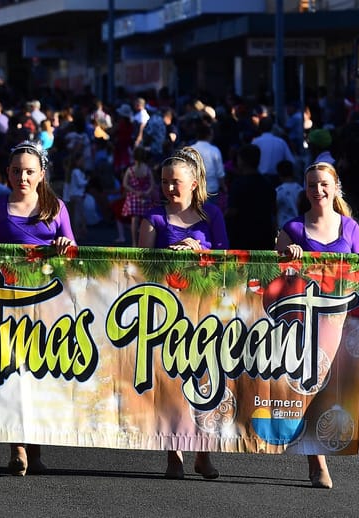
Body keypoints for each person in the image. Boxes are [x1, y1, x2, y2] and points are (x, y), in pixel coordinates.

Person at [0, 140, 75, 476]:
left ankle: (37, 449)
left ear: (42, 174)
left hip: (47, 305)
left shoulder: (56, 208)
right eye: (16, 171)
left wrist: (64, 244)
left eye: (29, 171)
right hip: (8, 307)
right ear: (8, 174)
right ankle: (17, 448)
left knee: (40, 376)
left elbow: (75, 250)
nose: (22, 177)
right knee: (13, 376)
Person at [275, 161, 359, 489]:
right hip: (301, 325)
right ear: (304, 190)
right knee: (306, 390)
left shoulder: (350, 228)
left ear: (335, 188)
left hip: (340, 324)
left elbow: (356, 278)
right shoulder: (292, 228)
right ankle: (315, 461)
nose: (317, 190)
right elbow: (272, 277)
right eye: (311, 185)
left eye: (323, 184)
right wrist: (285, 255)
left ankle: (315, 452)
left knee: (330, 390)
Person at [138, 146, 227, 480]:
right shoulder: (155, 217)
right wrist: (166, 255)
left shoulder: (211, 216)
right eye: (164, 182)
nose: (169, 188)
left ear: (193, 182)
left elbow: (225, 255)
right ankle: (173, 453)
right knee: (171, 385)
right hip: (166, 312)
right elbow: (139, 263)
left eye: (175, 182)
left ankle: (203, 453)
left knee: (206, 380)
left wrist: (199, 248)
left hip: (204, 307)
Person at [121, 146, 155, 246]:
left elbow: (125, 183)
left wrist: (134, 191)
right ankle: (144, 242)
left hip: (134, 197)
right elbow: (152, 184)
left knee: (134, 220)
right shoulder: (147, 169)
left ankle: (134, 242)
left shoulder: (131, 169)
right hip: (145, 196)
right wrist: (146, 192)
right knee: (145, 221)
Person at [275, 159, 304, 228]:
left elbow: (275, 209)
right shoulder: (300, 189)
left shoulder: (279, 191)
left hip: (283, 226)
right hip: (299, 226)